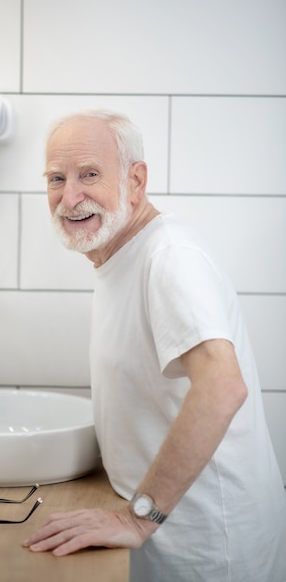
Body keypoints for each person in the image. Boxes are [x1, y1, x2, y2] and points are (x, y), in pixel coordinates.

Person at [23, 110, 286, 581]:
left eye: (89, 175)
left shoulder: (168, 257)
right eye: (56, 179)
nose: (69, 197)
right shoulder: (120, 255)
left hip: (210, 549)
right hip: (169, 535)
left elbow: (223, 387)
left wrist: (137, 517)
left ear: (135, 181)